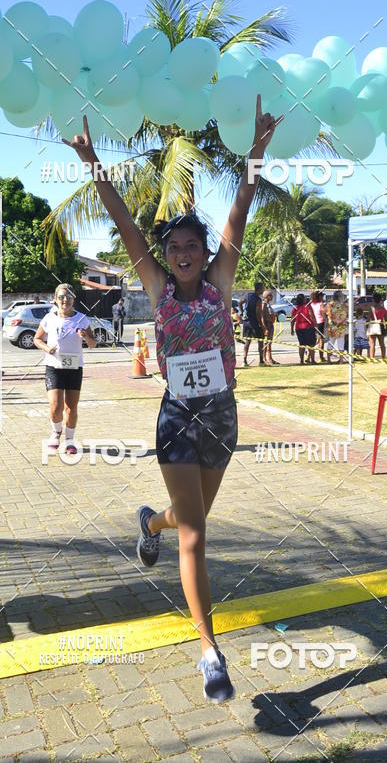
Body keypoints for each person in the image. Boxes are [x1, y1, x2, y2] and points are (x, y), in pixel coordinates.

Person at [63, 97, 283, 703]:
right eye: (174, 246)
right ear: (164, 256)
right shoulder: (157, 287)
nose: (183, 252)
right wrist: (92, 165)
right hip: (176, 420)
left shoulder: (220, 282)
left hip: (222, 417)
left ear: (206, 252)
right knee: (196, 537)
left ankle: (147, 522)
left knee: (190, 521)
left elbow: (239, 211)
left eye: (193, 244)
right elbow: (126, 223)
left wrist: (255, 158)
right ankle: (209, 651)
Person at [33, 284, 97, 455]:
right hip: (54, 366)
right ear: (55, 299)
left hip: (74, 367)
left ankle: (69, 440)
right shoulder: (49, 318)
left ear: (73, 299)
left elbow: (93, 343)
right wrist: (47, 348)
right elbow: (37, 339)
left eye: (68, 297)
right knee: (55, 407)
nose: (65, 300)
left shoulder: (82, 319)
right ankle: (56, 432)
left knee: (71, 407)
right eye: (61, 297)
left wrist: (85, 336)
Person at [242, 281, 266, 367]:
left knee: (247, 342)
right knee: (260, 342)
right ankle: (261, 361)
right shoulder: (258, 300)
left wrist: (242, 313)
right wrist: (262, 325)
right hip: (255, 324)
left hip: (246, 322)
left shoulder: (248, 295)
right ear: (259, 289)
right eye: (263, 288)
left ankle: (244, 361)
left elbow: (240, 303)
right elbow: (258, 313)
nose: (264, 290)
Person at [291, 294, 316, 363]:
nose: (306, 299)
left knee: (302, 345)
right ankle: (312, 360)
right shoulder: (307, 307)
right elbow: (312, 316)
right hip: (308, 327)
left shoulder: (295, 308)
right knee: (311, 344)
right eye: (305, 298)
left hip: (298, 328)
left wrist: (292, 329)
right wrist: (315, 325)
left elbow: (292, 320)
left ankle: (301, 360)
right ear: (303, 299)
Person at [325, 290, 348, 363]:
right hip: (341, 326)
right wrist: (340, 321)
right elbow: (345, 315)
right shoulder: (343, 305)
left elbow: (327, 314)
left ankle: (328, 359)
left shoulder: (330, 304)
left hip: (332, 326)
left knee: (331, 343)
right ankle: (341, 360)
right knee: (341, 343)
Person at [261, 290, 279, 365]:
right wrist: (265, 328)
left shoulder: (268, 304)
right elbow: (262, 317)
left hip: (270, 324)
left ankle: (270, 358)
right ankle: (264, 358)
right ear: (267, 296)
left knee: (269, 343)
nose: (272, 297)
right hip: (266, 325)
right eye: (271, 295)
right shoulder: (263, 304)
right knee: (265, 343)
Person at [368, 293, 387, 360]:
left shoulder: (372, 308)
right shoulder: (383, 309)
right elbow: (386, 319)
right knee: (382, 344)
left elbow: (368, 317)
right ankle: (383, 357)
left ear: (373, 299)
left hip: (373, 325)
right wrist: (386, 328)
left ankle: (372, 358)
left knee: (372, 344)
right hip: (381, 325)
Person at [310, 291, 326, 362]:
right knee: (320, 340)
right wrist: (326, 321)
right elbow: (323, 314)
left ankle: (308, 356)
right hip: (320, 323)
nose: (322, 297)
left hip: (313, 323)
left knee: (315, 340)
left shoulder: (311, 304)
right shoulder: (320, 304)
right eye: (321, 296)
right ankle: (321, 357)